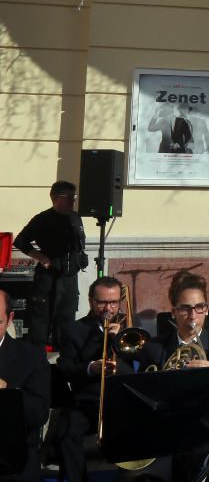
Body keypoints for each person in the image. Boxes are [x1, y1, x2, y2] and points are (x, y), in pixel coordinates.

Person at [54, 277, 132, 482]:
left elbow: (141, 364)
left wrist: (118, 340)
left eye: (114, 302)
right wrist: (91, 368)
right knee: (66, 434)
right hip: (86, 401)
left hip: (122, 401)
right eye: (102, 302)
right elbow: (65, 368)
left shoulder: (129, 327)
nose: (108, 308)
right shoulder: (74, 330)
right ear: (90, 301)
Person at [14, 180, 88, 347]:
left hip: (69, 279)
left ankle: (64, 365)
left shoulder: (75, 218)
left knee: (66, 327)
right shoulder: (43, 219)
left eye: (74, 196)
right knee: (40, 328)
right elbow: (20, 241)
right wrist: (41, 257)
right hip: (48, 279)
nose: (73, 201)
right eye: (69, 197)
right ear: (56, 198)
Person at [138, 271, 209, 370]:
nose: (193, 316)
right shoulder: (154, 349)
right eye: (185, 309)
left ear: (206, 310)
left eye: (199, 307)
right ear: (173, 312)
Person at [0, 289, 50, 481]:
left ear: (10, 317)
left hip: (10, 458)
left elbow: (39, 414)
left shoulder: (31, 356)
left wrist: (7, 391)